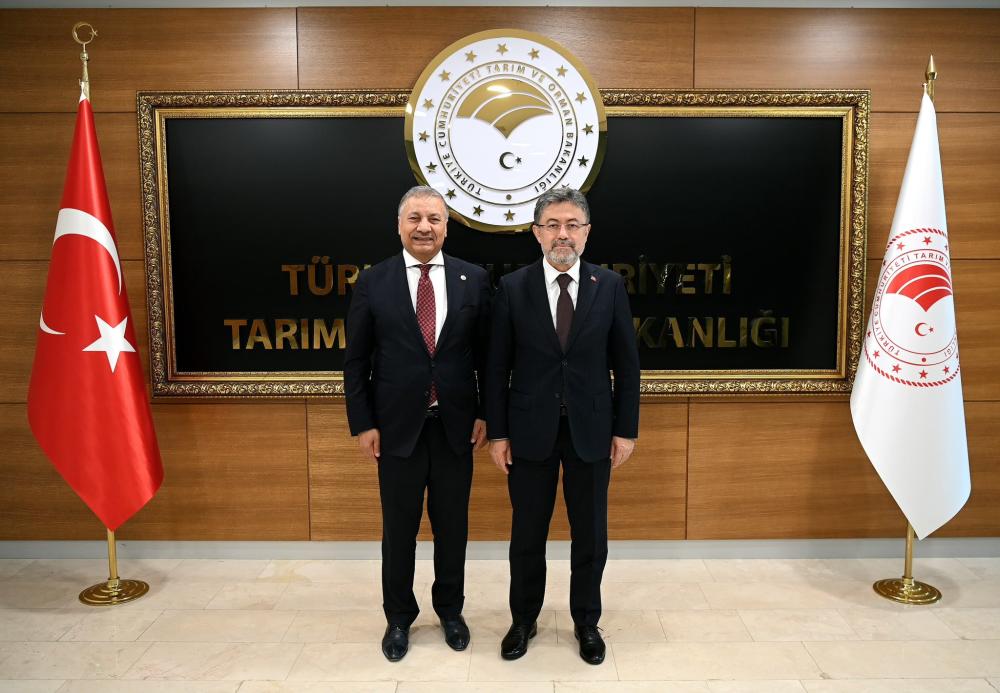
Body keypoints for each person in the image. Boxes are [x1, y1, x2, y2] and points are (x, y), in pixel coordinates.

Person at [485, 187, 640, 665]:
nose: (562, 234)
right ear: (537, 233)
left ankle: (586, 622)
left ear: (587, 233)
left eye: (572, 225)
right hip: (529, 431)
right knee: (527, 534)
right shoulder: (513, 288)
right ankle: (523, 619)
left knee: (590, 534)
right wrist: (498, 433)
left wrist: (626, 429)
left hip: (591, 431)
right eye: (552, 225)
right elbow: (496, 367)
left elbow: (626, 365)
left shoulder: (608, 286)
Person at [344, 185, 491, 662]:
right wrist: (363, 423)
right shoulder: (374, 281)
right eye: (415, 218)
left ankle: (450, 611)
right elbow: (356, 361)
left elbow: (488, 358)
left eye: (434, 218)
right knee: (399, 531)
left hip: (455, 428)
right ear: (399, 225)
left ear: (447, 227)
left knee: (453, 528)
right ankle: (399, 618)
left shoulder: (474, 279)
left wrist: (486, 413)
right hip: (395, 430)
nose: (424, 227)